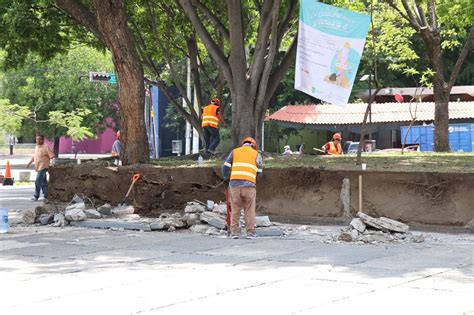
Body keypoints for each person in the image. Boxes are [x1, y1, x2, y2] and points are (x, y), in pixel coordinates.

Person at [222, 137, 263, 239]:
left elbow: (226, 166)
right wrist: (253, 180)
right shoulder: (257, 154)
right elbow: (260, 173)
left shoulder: (235, 152)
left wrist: (225, 178)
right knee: (249, 210)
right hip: (249, 186)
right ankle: (250, 233)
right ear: (253, 145)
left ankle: (235, 232)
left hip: (234, 185)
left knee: (235, 209)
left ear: (243, 144)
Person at [27, 135, 55, 203]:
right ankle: (46, 196)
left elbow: (52, 156)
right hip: (38, 167)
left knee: (37, 180)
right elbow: (35, 156)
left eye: (40, 139)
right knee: (43, 182)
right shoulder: (36, 147)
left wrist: (52, 163)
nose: (38, 141)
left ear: (43, 140)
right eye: (37, 139)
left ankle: (36, 195)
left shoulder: (46, 147)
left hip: (44, 166)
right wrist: (29, 163)